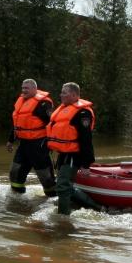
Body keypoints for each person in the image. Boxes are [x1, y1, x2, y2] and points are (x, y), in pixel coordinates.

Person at [47, 81, 105, 214]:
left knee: (62, 186)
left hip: (74, 155)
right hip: (64, 154)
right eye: (61, 92)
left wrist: (86, 164)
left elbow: (86, 139)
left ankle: (63, 219)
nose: (61, 95)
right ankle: (98, 208)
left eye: (64, 93)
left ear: (74, 95)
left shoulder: (83, 113)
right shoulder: (63, 109)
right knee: (65, 186)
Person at [7, 78, 56, 196]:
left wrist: (53, 144)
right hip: (23, 144)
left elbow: (53, 124)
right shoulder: (21, 102)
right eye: (22, 88)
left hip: (39, 144)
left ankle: (52, 199)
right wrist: (10, 140)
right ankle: (17, 198)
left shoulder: (43, 103)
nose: (23, 90)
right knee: (15, 172)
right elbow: (17, 124)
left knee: (46, 177)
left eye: (26, 88)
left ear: (35, 89)